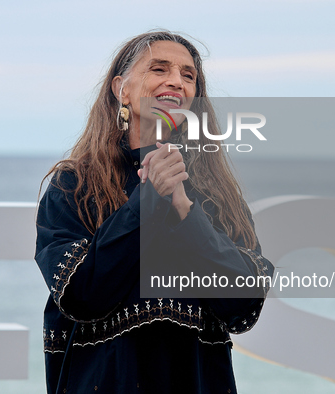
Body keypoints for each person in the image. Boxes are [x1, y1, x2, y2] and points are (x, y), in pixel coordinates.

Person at [35, 30, 274, 394]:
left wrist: (183, 208)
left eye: (188, 75)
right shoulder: (74, 185)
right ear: (122, 89)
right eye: (159, 69)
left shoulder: (217, 195)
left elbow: (243, 305)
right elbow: (79, 294)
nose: (176, 82)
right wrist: (147, 201)